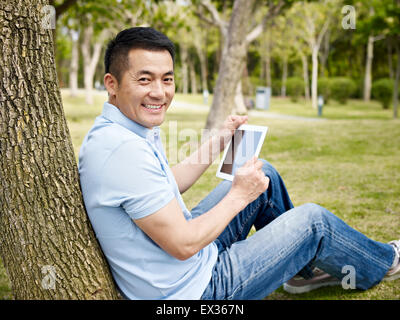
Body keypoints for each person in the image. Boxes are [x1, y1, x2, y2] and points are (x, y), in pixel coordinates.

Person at [78, 27, 400, 300]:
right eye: (145, 79)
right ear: (112, 83)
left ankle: (302, 270)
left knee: (266, 176)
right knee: (313, 222)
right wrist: (239, 196)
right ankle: (384, 262)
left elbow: (164, 185)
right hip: (196, 290)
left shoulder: (124, 127)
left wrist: (218, 141)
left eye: (167, 79)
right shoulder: (121, 151)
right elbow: (183, 244)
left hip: (188, 263)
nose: (159, 92)